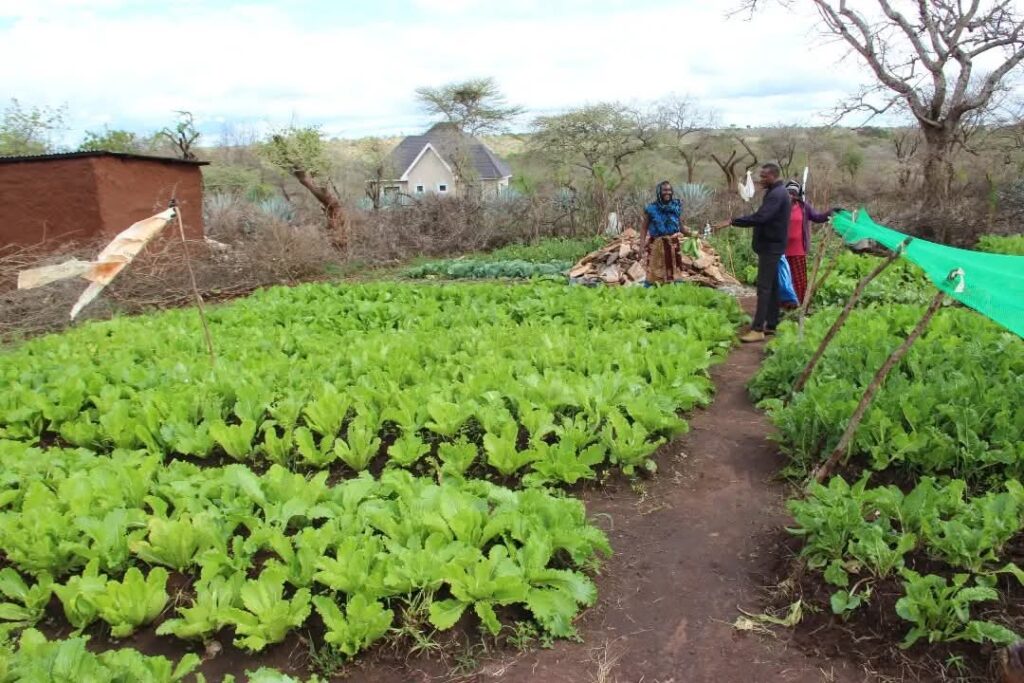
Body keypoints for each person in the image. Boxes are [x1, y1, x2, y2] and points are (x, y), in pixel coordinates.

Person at [713, 162, 791, 342]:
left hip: (771, 247)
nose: (760, 179)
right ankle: (771, 324)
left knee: (763, 288)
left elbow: (761, 217)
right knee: (773, 286)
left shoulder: (777, 194)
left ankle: (757, 329)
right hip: (773, 246)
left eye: (764, 176)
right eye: (761, 176)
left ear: (774, 176)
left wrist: (732, 221)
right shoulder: (776, 192)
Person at [784, 180, 837, 304]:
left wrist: (831, 211)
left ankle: (798, 304)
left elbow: (818, 217)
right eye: (788, 193)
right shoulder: (780, 207)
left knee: (798, 279)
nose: (790, 196)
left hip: (798, 250)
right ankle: (783, 304)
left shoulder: (804, 207)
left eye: (793, 194)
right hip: (782, 250)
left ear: (797, 195)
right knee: (784, 278)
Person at [640, 181, 691, 285]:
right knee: (655, 274)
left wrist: (692, 234)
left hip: (673, 245)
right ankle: (652, 292)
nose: (667, 192)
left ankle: (675, 292)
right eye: (664, 190)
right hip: (656, 245)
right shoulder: (651, 209)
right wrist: (641, 246)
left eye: (669, 190)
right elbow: (644, 228)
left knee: (675, 272)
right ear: (659, 192)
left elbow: (680, 227)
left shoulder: (675, 207)